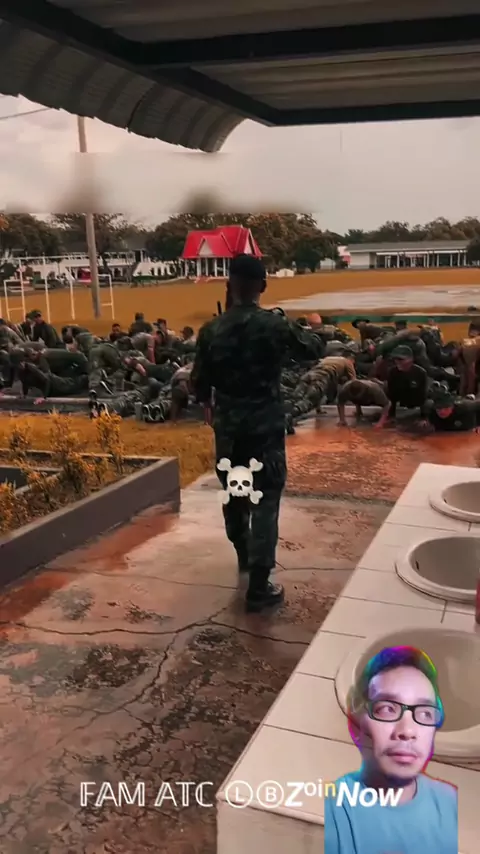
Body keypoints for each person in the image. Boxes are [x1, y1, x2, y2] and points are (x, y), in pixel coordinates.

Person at [191, 254, 322, 613]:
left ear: (229, 285)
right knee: (265, 500)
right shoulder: (273, 325)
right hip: (264, 428)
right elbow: (313, 349)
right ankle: (259, 586)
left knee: (236, 494)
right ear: (262, 286)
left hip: (229, 430)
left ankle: (244, 555)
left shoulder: (211, 330)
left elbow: (199, 385)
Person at [324, 646, 457, 854]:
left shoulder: (449, 801)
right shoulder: (333, 809)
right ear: (358, 723)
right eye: (387, 709)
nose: (407, 731)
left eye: (425, 713)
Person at [377, 345, 428, 429]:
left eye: (401, 359)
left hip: (416, 402)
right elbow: (391, 396)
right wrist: (391, 416)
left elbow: (423, 397)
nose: (398, 362)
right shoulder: (393, 372)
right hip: (401, 402)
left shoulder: (420, 373)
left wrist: (423, 418)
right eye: (396, 359)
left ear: (411, 359)